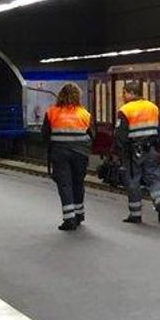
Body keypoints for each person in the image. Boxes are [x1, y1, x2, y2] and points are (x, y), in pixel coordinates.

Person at [112, 80, 160, 224]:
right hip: (152, 149)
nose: (123, 96)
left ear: (131, 93)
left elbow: (120, 135)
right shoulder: (153, 107)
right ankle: (159, 201)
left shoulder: (125, 110)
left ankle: (135, 214)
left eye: (124, 92)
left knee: (133, 181)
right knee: (154, 177)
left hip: (133, 152)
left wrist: (118, 153)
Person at [41, 83, 93, 231]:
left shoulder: (52, 112)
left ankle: (69, 219)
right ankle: (79, 215)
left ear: (60, 95)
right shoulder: (85, 114)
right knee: (78, 183)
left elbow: (45, 135)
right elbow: (91, 134)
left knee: (65, 184)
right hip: (80, 154)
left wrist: (53, 146)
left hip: (60, 153)